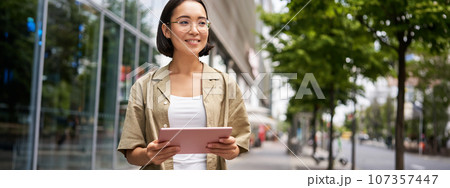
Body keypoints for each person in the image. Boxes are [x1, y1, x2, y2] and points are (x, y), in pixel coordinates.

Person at [117, 0, 250, 170]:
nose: (194, 30)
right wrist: (149, 155)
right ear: (166, 30)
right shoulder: (144, 86)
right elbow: (131, 152)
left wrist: (232, 150)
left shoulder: (226, 84)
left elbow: (240, 142)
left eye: (202, 23)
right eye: (184, 22)